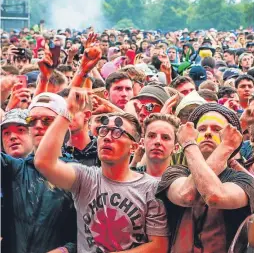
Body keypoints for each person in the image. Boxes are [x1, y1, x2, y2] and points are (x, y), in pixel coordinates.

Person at [34, 89, 169, 252]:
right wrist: (67, 112)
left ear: (133, 147)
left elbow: (159, 246)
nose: (107, 137)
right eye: (103, 131)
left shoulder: (151, 188)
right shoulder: (84, 178)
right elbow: (43, 162)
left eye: (117, 132)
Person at [156, 103, 254, 253]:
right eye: (202, 129)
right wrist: (190, 144)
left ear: (232, 139)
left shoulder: (244, 180)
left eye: (217, 130)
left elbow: (215, 196)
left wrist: (227, 147)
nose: (208, 133)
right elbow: (187, 195)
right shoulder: (175, 172)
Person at [2, 93, 77, 253]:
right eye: (32, 121)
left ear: (64, 126)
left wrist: (66, 250)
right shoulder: (14, 168)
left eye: (47, 120)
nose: (38, 125)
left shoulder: (78, 176)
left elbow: (91, 234)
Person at [131, 113, 180, 179]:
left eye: (165, 137)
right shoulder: (129, 177)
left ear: (176, 148)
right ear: (142, 142)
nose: (158, 141)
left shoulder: (182, 181)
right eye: (151, 136)